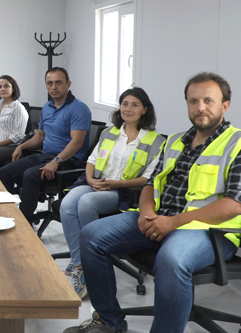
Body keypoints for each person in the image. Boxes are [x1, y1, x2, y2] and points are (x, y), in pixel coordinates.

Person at [62, 73, 241, 333]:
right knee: (91, 235)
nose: (200, 107)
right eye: (193, 101)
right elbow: (151, 184)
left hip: (210, 233)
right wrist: (147, 213)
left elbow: (235, 204)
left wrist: (173, 223)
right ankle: (109, 322)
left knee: (171, 259)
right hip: (161, 218)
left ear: (224, 105)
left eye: (208, 101)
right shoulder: (174, 141)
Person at [59, 87, 163, 299]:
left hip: (125, 192)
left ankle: (92, 261)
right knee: (67, 204)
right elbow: (92, 160)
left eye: (135, 105)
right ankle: (80, 263)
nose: (128, 109)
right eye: (125, 104)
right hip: (97, 183)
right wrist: (90, 180)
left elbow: (149, 179)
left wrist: (117, 184)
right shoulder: (110, 132)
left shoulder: (156, 141)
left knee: (87, 203)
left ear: (144, 109)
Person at [0, 67, 91, 222]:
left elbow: (77, 143)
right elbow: (40, 136)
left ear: (68, 84)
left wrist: (56, 161)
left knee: (30, 175)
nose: (54, 87)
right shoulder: (47, 107)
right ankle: (5, 214)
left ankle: (24, 223)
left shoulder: (79, 108)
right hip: (45, 156)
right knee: (4, 172)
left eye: (58, 83)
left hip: (68, 162)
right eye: (50, 83)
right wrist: (21, 146)